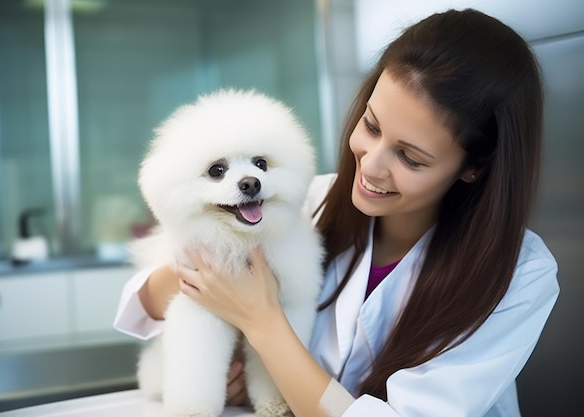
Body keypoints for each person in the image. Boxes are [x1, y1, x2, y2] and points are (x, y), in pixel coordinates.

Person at [114, 8, 559, 417]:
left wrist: (263, 323)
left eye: (411, 158)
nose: (371, 164)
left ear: (473, 169)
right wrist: (210, 272)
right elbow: (148, 305)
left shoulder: (520, 276)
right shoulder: (304, 199)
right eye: (371, 126)